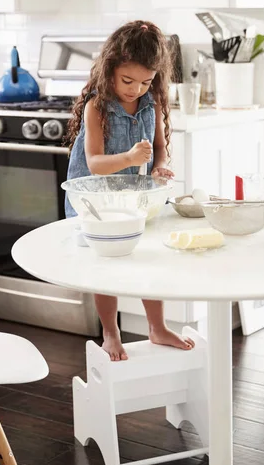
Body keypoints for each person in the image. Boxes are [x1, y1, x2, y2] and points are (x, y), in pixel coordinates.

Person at [64, 20, 195, 361]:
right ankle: (111, 331)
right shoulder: (98, 107)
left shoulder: (150, 102)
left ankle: (157, 327)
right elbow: (94, 163)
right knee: (106, 267)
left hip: (134, 195)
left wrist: (159, 165)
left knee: (150, 257)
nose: (136, 89)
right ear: (109, 70)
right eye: (127, 80)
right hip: (95, 199)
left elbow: (160, 146)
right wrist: (130, 157)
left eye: (146, 81)